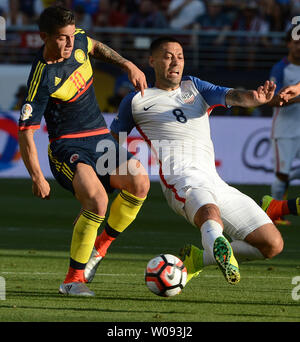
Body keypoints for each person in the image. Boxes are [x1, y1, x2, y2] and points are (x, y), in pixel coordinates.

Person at [86, 36, 284, 286]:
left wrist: (254, 98)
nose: (175, 62)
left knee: (272, 244)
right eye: (168, 56)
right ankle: (217, 244)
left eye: (179, 57)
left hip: (215, 182)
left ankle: (200, 259)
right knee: (210, 216)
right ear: (152, 61)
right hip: (180, 179)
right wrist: (101, 187)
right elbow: (112, 145)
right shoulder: (136, 101)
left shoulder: (195, 87)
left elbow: (235, 96)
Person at [18, 6, 149, 297]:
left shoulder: (77, 40)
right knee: (98, 202)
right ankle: (73, 280)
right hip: (67, 146)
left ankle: (99, 249)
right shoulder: (42, 76)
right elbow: (26, 131)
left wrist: (127, 64)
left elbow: (96, 46)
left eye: (70, 36)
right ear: (43, 37)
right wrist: (37, 177)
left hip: (100, 139)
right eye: (61, 38)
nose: (68, 43)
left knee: (140, 183)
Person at [267, 29, 300, 224]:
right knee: (282, 173)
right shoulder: (280, 69)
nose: (299, 46)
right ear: (288, 44)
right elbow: (273, 100)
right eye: (296, 42)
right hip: (285, 129)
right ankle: (274, 214)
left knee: (285, 175)